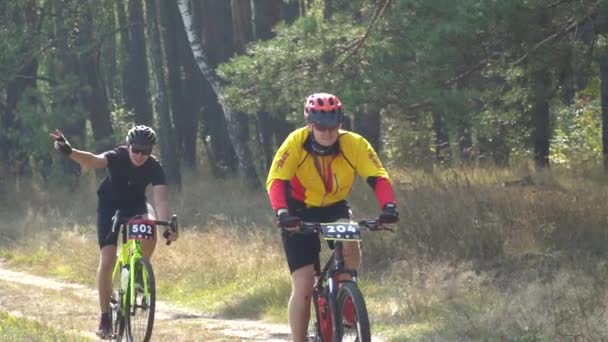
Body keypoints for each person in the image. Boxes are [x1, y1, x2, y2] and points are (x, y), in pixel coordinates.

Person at [266, 93, 399, 341]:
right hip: (297, 210)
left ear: (340, 123)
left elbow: (377, 176)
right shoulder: (295, 142)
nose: (328, 132)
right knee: (304, 286)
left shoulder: (355, 144)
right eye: (321, 126)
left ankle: (347, 297)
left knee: (349, 251)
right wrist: (282, 213)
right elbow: (276, 180)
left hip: (335, 207)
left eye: (333, 125)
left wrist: (389, 207)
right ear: (310, 124)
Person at [50, 125, 178, 338]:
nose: (139, 155)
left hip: (136, 205)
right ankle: (105, 318)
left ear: (151, 151)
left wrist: (168, 226)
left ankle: (138, 270)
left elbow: (161, 200)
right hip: (110, 206)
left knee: (151, 225)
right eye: (135, 149)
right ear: (128, 146)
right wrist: (69, 151)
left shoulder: (155, 167)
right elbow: (92, 161)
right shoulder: (117, 156)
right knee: (108, 259)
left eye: (145, 151)